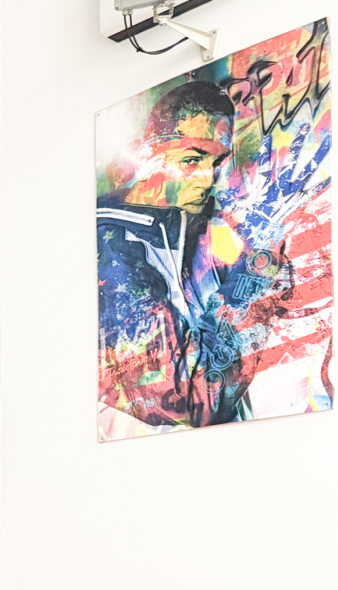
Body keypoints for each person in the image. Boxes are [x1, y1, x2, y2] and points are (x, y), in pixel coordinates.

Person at [97, 80, 252, 432]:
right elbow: (191, 404)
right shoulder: (111, 248)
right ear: (145, 157)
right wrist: (254, 280)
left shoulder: (202, 229)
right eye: (191, 160)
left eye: (217, 162)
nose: (207, 179)